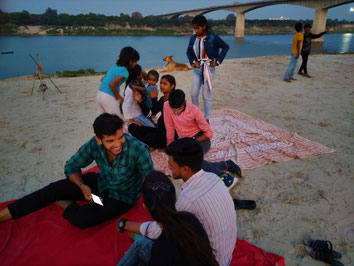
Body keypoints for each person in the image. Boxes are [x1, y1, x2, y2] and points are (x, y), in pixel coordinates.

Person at [0, 114, 154, 229]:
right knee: (54, 189)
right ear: (99, 140)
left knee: (82, 220)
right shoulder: (94, 144)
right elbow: (72, 165)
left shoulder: (138, 150)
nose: (118, 144)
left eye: (120, 137)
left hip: (120, 198)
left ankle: (64, 203)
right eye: (110, 141)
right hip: (99, 185)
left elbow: (151, 179)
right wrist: (82, 186)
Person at [117, 138, 237, 266]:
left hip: (211, 261)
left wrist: (125, 224)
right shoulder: (214, 178)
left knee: (140, 242)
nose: (169, 168)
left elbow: (158, 231)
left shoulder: (187, 202)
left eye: (171, 166)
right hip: (226, 255)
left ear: (185, 169)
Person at [117, 170, 218, 266]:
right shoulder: (189, 218)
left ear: (144, 206)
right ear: (176, 199)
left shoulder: (160, 250)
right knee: (141, 243)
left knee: (140, 244)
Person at [164, 89, 243, 188]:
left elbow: (209, 133)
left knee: (191, 161)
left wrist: (193, 142)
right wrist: (170, 147)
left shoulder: (194, 110)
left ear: (184, 102)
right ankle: (225, 164)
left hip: (200, 140)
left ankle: (223, 176)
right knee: (183, 161)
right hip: (184, 141)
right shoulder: (166, 106)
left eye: (178, 109)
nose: (175, 113)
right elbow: (169, 128)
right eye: (173, 109)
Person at [186, 15, 229, 122]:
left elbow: (225, 47)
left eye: (197, 28)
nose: (195, 30)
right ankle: (196, 117)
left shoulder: (213, 37)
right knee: (194, 94)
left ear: (204, 26)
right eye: (194, 28)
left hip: (209, 69)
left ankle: (207, 119)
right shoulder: (193, 38)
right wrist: (193, 62)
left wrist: (218, 61)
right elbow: (188, 52)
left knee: (206, 96)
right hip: (197, 70)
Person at [128, 74, 176, 149]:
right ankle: (146, 143)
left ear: (172, 86)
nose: (161, 86)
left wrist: (154, 98)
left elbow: (160, 119)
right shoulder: (161, 99)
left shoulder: (173, 101)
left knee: (151, 137)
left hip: (167, 135)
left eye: (165, 84)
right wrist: (140, 101)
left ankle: (146, 144)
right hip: (159, 130)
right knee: (132, 127)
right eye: (161, 83)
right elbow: (149, 114)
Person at [97, 47, 140, 118]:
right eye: (135, 61)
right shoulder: (124, 71)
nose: (136, 63)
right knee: (117, 120)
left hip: (99, 94)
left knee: (103, 120)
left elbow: (102, 79)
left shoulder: (114, 67)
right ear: (130, 61)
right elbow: (112, 84)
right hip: (108, 96)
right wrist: (118, 97)